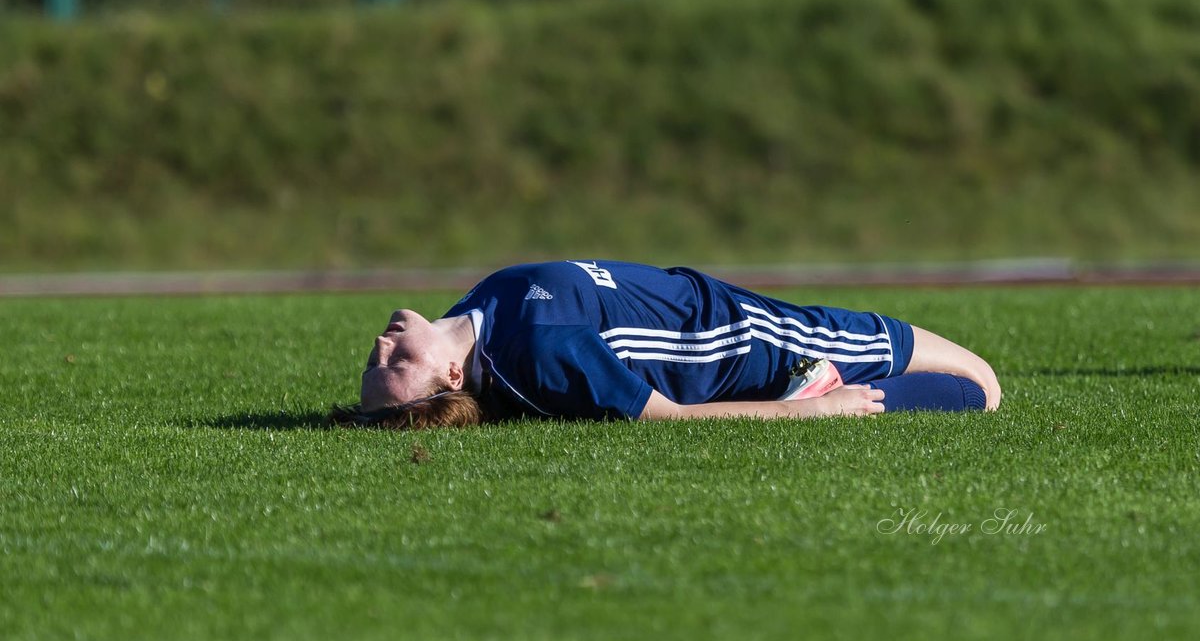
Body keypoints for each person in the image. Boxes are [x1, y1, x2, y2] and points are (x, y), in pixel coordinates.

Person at [333, 259, 1001, 429]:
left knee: (980, 383)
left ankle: (818, 384)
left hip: (706, 296)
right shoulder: (538, 351)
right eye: (396, 364)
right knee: (984, 389)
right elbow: (668, 419)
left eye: (377, 357)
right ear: (452, 374)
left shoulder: (467, 316)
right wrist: (807, 414)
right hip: (733, 336)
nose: (381, 343)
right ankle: (814, 388)